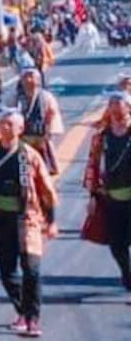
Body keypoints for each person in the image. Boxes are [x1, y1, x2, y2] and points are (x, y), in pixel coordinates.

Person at [0, 107, 57, 337]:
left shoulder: (30, 155)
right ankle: (23, 311)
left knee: (32, 269)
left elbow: (46, 189)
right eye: (2, 124)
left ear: (19, 128)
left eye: (9, 124)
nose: (4, 127)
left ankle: (33, 318)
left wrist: (52, 220)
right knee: (8, 273)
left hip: (27, 218)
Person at [83, 90, 131, 303]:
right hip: (110, 198)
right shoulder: (101, 138)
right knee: (116, 244)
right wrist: (93, 194)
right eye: (112, 104)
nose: (115, 108)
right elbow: (92, 165)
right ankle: (128, 276)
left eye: (120, 104)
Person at [16, 68, 64, 176]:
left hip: (41, 130)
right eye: (25, 78)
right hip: (24, 131)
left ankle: (52, 167)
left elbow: (52, 112)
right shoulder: (17, 96)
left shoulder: (45, 96)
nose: (28, 80)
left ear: (38, 80)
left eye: (31, 77)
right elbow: (7, 108)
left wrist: (48, 129)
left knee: (46, 148)